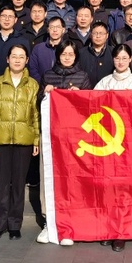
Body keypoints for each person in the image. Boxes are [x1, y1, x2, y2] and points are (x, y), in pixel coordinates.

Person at [0, 44, 40, 241]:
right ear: (7, 59)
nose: (17, 60)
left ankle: (15, 225)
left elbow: (36, 115)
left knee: (19, 185)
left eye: (21, 56)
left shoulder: (32, 85)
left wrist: (36, 139)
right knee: (2, 184)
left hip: (24, 141)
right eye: (14, 56)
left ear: (27, 60)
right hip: (1, 141)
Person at [37, 40, 91, 246]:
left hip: (74, 138)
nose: (67, 57)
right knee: (48, 176)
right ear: (58, 55)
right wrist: (45, 93)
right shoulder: (47, 75)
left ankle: (70, 223)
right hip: (51, 136)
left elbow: (91, 107)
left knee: (72, 179)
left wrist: (80, 96)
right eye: (64, 54)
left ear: (76, 56)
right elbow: (38, 103)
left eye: (71, 54)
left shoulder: (83, 77)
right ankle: (48, 222)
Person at [94, 44, 132, 252]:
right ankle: (108, 227)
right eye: (117, 58)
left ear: (130, 59)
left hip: (130, 145)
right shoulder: (104, 83)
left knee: (125, 189)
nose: (121, 62)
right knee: (108, 187)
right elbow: (92, 107)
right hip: (108, 144)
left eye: (124, 58)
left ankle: (122, 231)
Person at [0, 5, 29, 80]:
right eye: (4, 16)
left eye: (10, 16)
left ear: (15, 20)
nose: (7, 19)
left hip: (14, 83)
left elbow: (27, 66)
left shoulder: (23, 41)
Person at [30, 16, 67, 83]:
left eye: (58, 27)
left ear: (63, 30)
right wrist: (43, 84)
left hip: (62, 86)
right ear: (48, 29)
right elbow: (33, 69)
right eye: (52, 27)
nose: (55, 30)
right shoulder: (38, 48)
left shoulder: (67, 48)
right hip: (41, 86)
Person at [78, 20, 114, 88]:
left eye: (101, 33)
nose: (98, 36)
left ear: (107, 35)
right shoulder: (81, 53)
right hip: (86, 90)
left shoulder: (113, 52)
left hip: (107, 90)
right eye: (95, 33)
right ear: (91, 35)